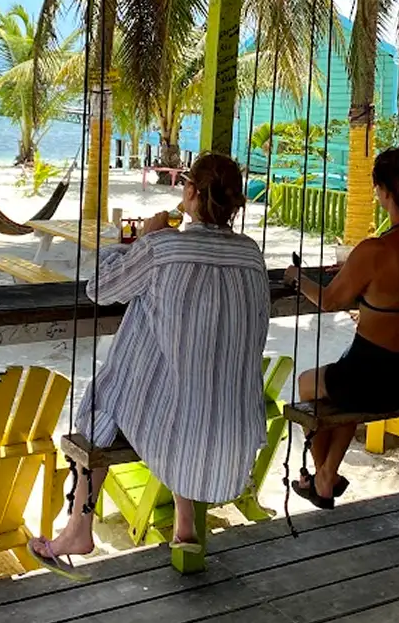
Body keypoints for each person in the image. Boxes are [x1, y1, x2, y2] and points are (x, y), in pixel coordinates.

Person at [28, 153, 270, 572]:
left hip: (185, 435)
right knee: (176, 358)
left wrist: (145, 239)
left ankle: (77, 531)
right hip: (237, 433)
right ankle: (186, 527)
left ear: (190, 192)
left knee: (103, 401)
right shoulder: (250, 254)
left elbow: (99, 289)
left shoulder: (163, 247)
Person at [284, 146, 399, 510]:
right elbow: (398, 290)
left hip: (372, 376)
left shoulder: (375, 249)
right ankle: (325, 477)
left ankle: (323, 475)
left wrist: (297, 278)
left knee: (307, 385)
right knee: (341, 389)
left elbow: (329, 301)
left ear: (387, 191)